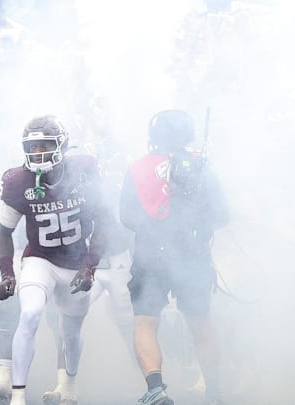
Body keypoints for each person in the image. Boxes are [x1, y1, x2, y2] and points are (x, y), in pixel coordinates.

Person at [0, 116, 111, 405]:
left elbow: (104, 222)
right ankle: (17, 396)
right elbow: (3, 231)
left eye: (45, 145)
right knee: (30, 313)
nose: (38, 153)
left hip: (75, 263)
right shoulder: (18, 180)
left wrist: (90, 266)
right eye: (32, 147)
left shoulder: (83, 170)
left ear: (62, 145)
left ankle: (68, 384)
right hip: (40, 259)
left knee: (70, 332)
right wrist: (7, 273)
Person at [120, 110, 228, 405]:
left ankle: (156, 390)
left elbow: (126, 216)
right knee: (200, 322)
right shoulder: (202, 166)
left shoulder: (137, 168)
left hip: (150, 255)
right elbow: (221, 215)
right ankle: (214, 390)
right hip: (192, 254)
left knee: (145, 321)